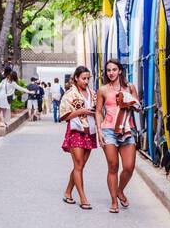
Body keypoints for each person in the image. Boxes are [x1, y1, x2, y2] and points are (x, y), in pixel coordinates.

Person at [96, 58, 139, 213]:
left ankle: (120, 190)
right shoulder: (103, 90)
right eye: (108, 70)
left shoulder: (130, 87)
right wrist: (99, 130)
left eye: (114, 69)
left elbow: (138, 106)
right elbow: (98, 111)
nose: (111, 73)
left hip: (127, 130)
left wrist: (128, 101)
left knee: (129, 167)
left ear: (120, 70)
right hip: (108, 130)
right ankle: (114, 201)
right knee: (113, 166)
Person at [59, 66, 96, 209]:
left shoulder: (93, 93)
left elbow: (97, 112)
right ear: (76, 78)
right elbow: (64, 116)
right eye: (83, 78)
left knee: (79, 166)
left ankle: (68, 192)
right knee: (79, 165)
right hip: (76, 131)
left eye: (88, 78)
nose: (86, 81)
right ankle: (83, 198)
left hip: (90, 132)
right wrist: (81, 111)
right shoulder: (69, 95)